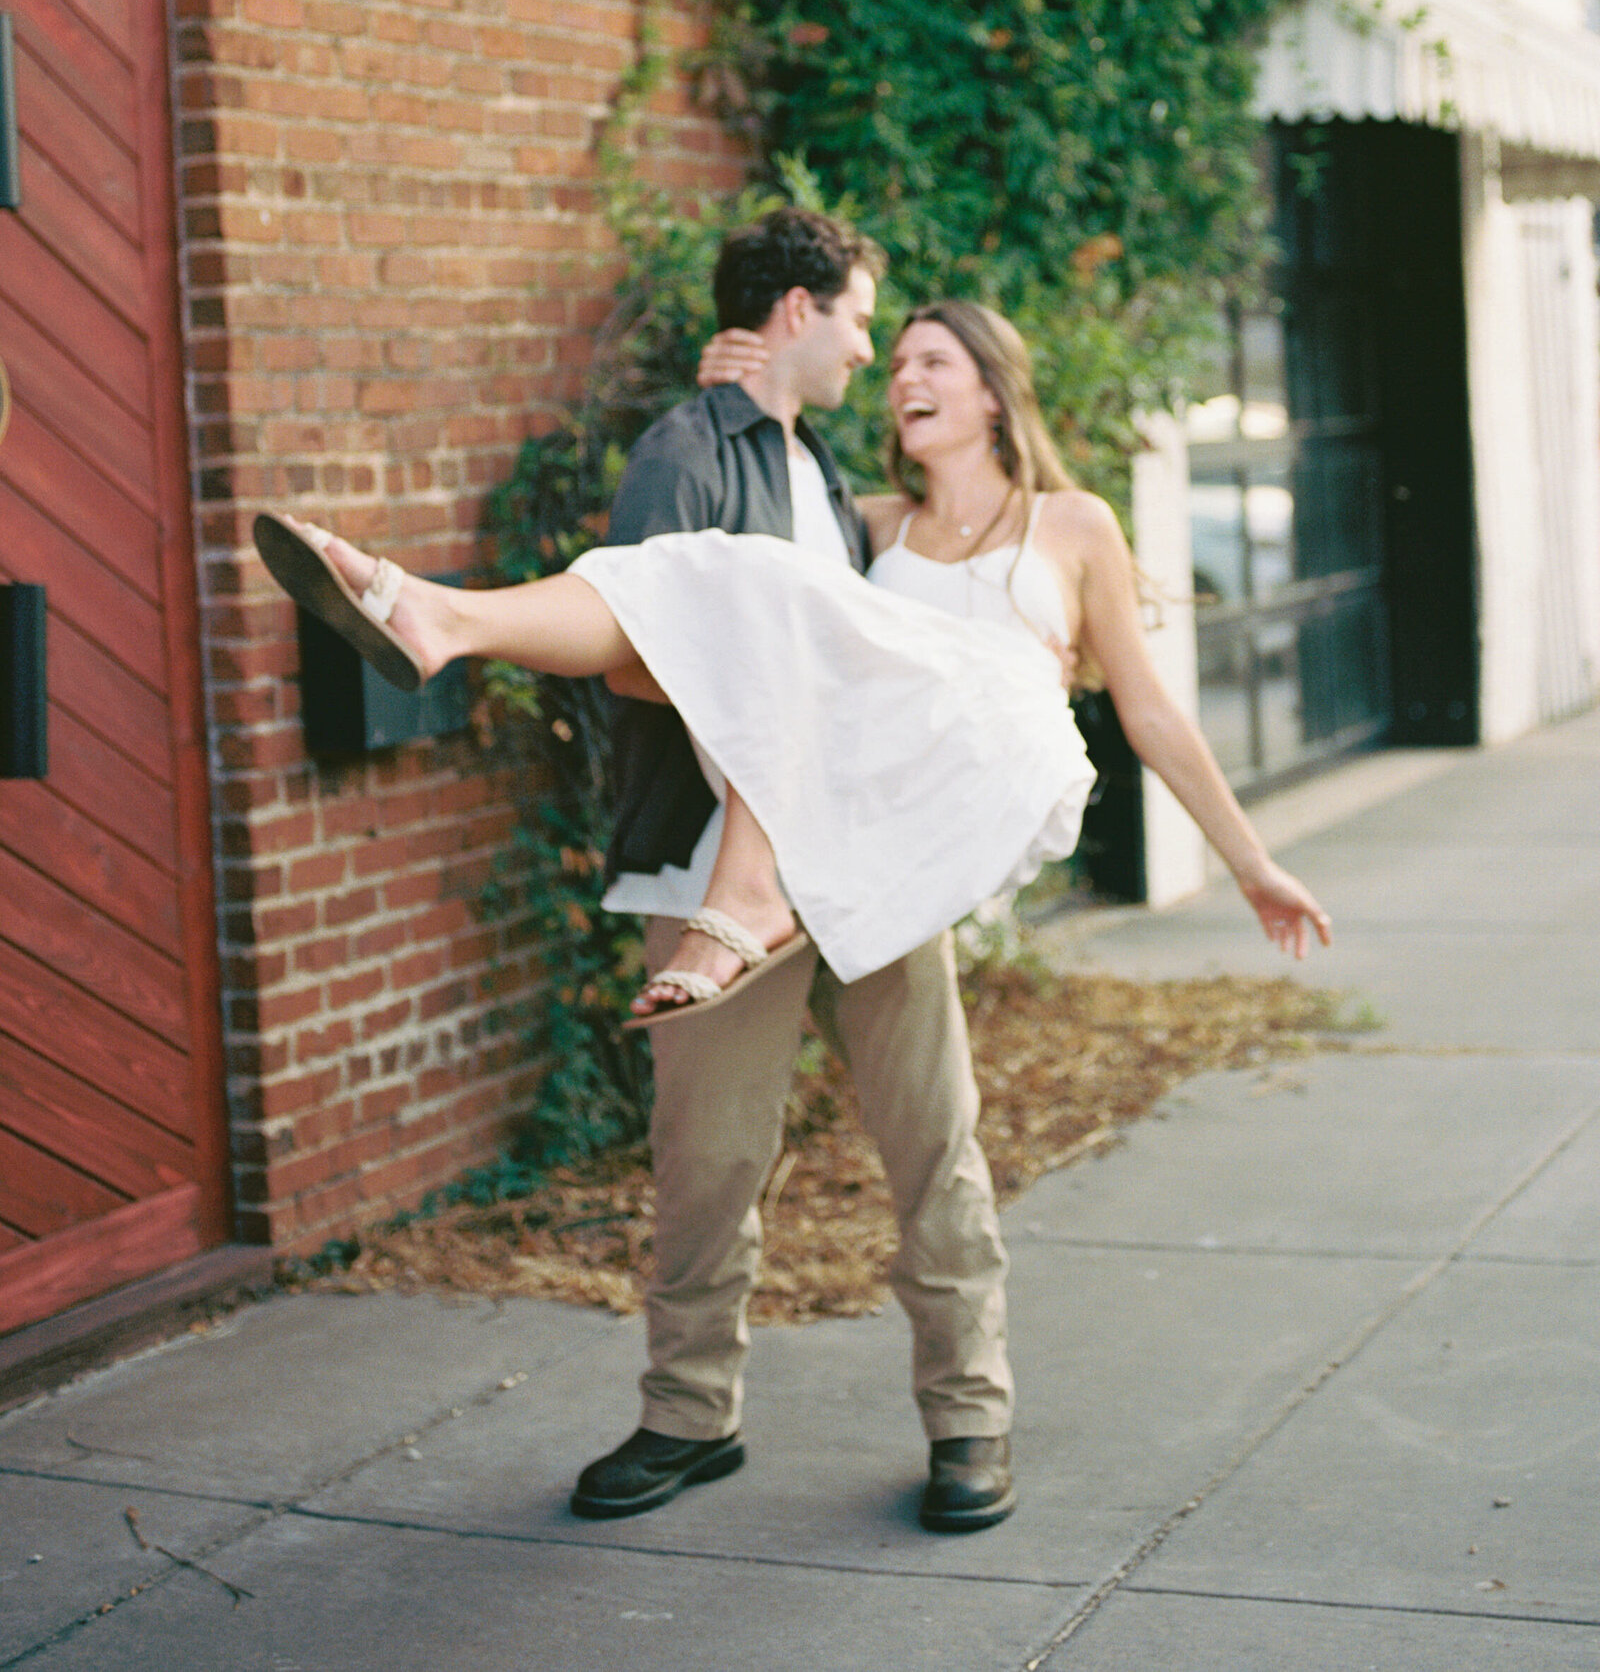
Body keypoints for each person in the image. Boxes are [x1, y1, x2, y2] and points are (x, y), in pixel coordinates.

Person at [252, 212, 1330, 1536]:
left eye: (926, 351)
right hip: (733, 858)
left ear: (992, 386)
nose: (894, 367)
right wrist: (739, 396)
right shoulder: (836, 505)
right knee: (705, 1157)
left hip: (888, 865)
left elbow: (1151, 710)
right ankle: (688, 1412)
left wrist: (1253, 860)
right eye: (880, 343)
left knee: (936, 1148)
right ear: (803, 319)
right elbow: (666, 630)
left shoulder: (1034, 517)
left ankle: (970, 1417)